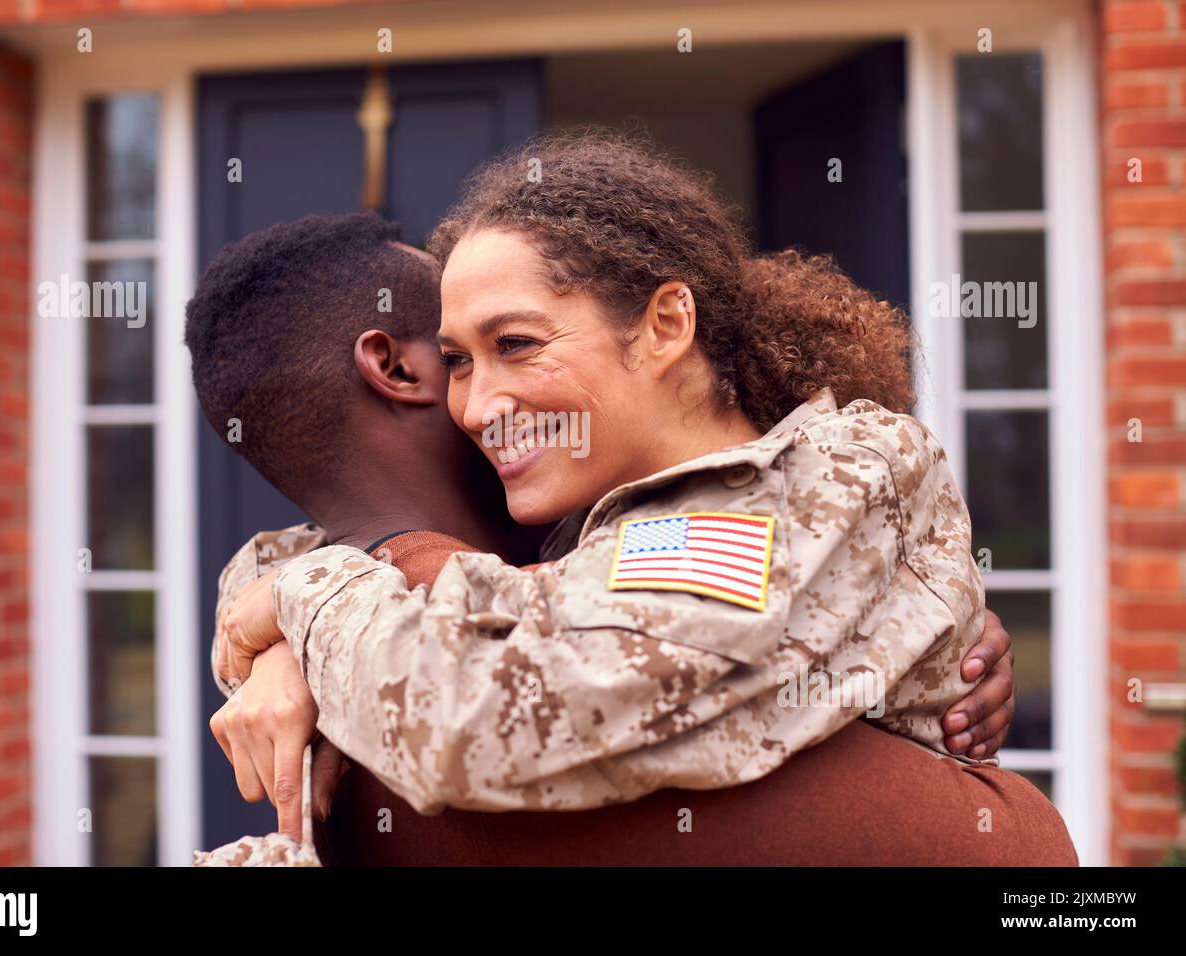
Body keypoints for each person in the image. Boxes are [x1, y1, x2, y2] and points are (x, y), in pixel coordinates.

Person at [186, 212, 1075, 864]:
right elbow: (1015, 856)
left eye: (515, 343)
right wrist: (311, 607)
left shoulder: (333, 660)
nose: (484, 400)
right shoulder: (402, 707)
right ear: (397, 368)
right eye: (459, 356)